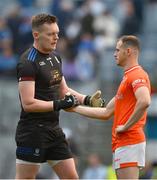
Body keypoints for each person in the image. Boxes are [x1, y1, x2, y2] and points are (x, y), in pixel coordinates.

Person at [15, 13, 104, 179]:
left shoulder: (55, 57)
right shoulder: (28, 62)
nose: (56, 37)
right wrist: (59, 104)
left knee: (72, 177)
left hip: (54, 130)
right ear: (36, 35)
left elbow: (64, 91)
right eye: (50, 34)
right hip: (32, 132)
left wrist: (88, 100)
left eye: (57, 33)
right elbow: (28, 104)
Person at [72, 35, 151, 179]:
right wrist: (74, 108)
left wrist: (126, 126)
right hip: (123, 142)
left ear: (128, 51)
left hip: (129, 140)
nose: (114, 54)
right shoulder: (126, 79)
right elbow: (106, 112)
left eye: (117, 50)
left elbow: (145, 101)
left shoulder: (137, 74)